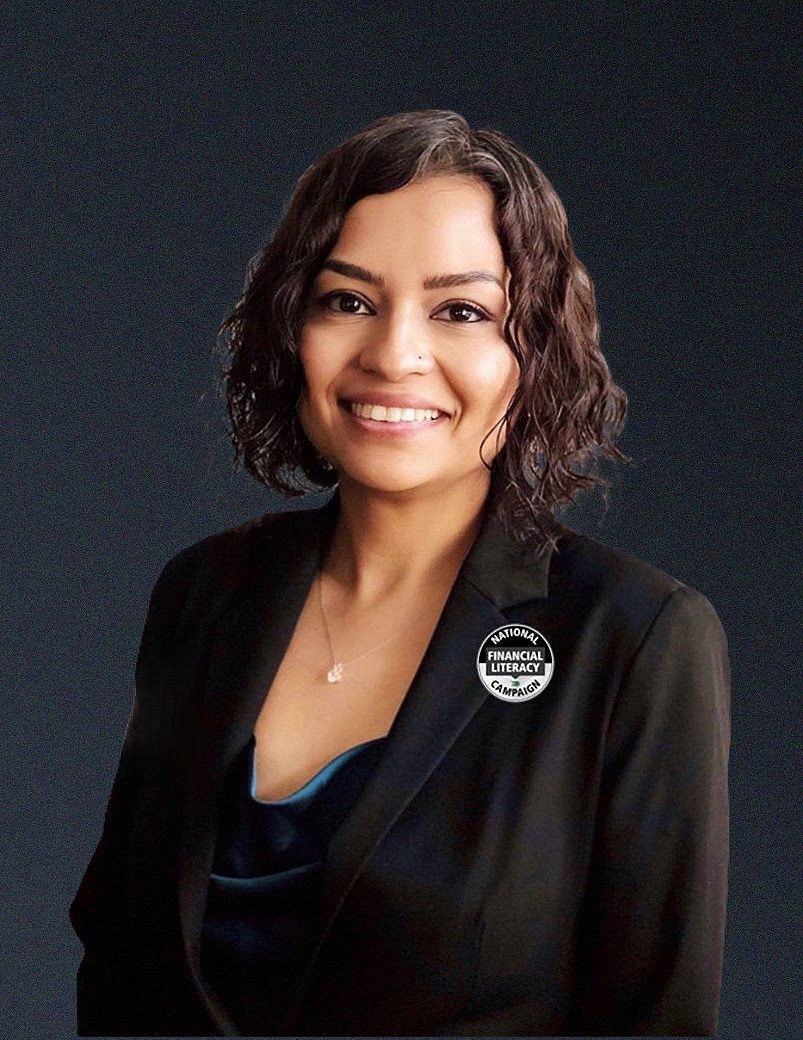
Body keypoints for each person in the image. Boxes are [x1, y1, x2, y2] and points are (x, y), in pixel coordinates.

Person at [69, 109, 730, 1037]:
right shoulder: (205, 594)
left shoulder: (634, 638)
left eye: (461, 311)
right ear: (291, 328)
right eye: (347, 300)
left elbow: (652, 1021)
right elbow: (118, 962)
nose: (392, 354)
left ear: (531, 355)